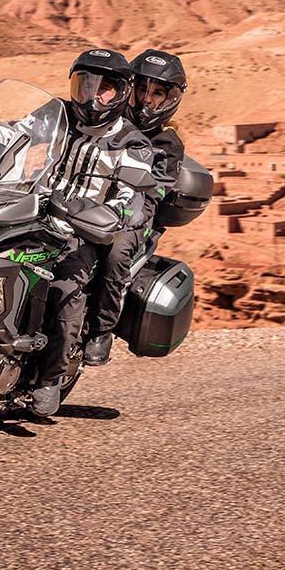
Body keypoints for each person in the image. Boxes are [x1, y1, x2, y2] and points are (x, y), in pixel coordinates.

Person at [31, 48, 157, 416]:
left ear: (120, 93)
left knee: (65, 289)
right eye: (84, 85)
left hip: (83, 231)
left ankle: (50, 378)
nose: (90, 95)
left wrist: (102, 216)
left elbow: (130, 199)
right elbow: (13, 131)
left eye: (102, 88)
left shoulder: (133, 142)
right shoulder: (59, 115)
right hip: (34, 211)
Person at [82, 48, 187, 367]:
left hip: (131, 218)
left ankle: (101, 330)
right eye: (142, 89)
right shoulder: (105, 120)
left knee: (115, 253)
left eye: (156, 93)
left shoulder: (168, 144)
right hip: (83, 201)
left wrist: (122, 214)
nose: (146, 99)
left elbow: (153, 192)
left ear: (169, 99)